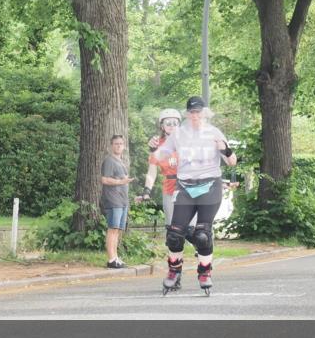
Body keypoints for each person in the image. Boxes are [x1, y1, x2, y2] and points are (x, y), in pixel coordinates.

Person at [151, 96, 237, 294]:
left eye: (198, 112)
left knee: (202, 235)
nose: (195, 115)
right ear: (187, 114)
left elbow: (232, 161)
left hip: (210, 186)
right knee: (174, 235)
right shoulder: (179, 134)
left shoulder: (214, 133)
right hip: (186, 187)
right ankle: (174, 271)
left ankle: (204, 272)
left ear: (204, 113)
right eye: (192, 112)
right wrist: (153, 146)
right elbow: (158, 156)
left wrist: (226, 149)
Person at [138, 109, 182, 226]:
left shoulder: (187, 142)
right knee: (172, 230)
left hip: (188, 187)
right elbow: (152, 170)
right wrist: (147, 190)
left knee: (195, 232)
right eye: (168, 123)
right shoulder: (158, 145)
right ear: (162, 126)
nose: (172, 126)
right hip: (170, 189)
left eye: (175, 123)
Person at [100, 134, 133, 269]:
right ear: (111, 146)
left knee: (118, 230)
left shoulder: (121, 162)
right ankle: (111, 259)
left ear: (124, 146)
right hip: (113, 201)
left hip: (123, 201)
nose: (118, 146)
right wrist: (121, 181)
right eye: (116, 144)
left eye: (120, 144)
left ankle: (116, 257)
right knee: (112, 229)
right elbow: (104, 180)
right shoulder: (109, 161)